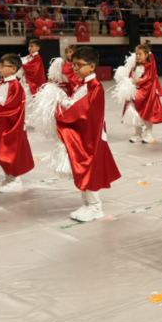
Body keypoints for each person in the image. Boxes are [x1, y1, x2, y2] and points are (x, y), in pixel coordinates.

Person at [56, 47, 121, 221]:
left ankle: (95, 206)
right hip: (83, 132)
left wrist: (63, 105)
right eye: (74, 65)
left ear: (91, 67)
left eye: (79, 65)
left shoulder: (95, 87)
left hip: (91, 134)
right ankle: (86, 204)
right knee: (82, 167)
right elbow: (76, 103)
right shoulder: (80, 84)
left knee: (89, 168)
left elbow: (84, 111)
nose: (75, 68)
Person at [0, 54, 35, 193]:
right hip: (0, 123)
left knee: (10, 151)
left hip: (10, 125)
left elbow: (12, 105)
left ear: (13, 69)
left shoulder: (15, 86)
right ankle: (8, 177)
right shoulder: (0, 83)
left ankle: (15, 179)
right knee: (1, 151)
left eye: (2, 65)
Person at [125, 44, 162, 143]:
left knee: (149, 113)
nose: (137, 56)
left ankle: (148, 134)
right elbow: (130, 78)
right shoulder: (134, 67)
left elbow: (149, 79)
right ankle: (137, 133)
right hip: (135, 94)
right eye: (136, 54)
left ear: (146, 55)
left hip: (147, 95)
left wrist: (138, 82)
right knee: (136, 113)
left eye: (140, 54)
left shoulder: (149, 66)